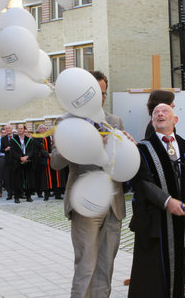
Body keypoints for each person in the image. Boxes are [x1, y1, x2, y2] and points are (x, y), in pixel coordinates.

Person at [51, 70, 125, 298]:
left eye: (104, 94)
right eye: (96, 93)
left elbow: (124, 163)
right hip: (85, 204)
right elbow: (55, 162)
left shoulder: (114, 121)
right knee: (86, 267)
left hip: (113, 203)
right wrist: (83, 142)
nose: (100, 98)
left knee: (106, 267)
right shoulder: (66, 122)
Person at [128, 103, 185, 298]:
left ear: (175, 120)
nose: (159, 114)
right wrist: (167, 201)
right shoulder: (142, 149)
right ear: (152, 121)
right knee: (152, 274)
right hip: (154, 222)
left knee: (177, 268)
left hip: (183, 222)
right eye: (156, 112)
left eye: (165, 111)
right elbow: (141, 182)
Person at [34, 124, 64, 201]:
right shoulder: (41, 138)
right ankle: (46, 195)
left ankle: (57, 194)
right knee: (47, 178)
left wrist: (54, 154)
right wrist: (48, 154)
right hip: (46, 160)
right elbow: (40, 149)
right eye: (51, 130)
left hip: (55, 159)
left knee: (57, 178)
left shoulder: (55, 138)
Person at [10, 124, 34, 203]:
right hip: (18, 162)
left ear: (24, 129)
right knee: (18, 180)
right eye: (18, 128)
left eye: (21, 128)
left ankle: (28, 196)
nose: (20, 130)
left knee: (28, 180)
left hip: (27, 162)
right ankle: (17, 197)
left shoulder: (29, 140)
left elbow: (31, 150)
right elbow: (13, 151)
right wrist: (20, 157)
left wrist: (27, 157)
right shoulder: (13, 140)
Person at [0, 124, 14, 200]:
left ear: (12, 129)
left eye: (9, 128)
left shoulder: (16, 137)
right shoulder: (3, 139)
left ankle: (18, 192)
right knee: (8, 178)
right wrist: (5, 149)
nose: (8, 129)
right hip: (7, 160)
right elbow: (1, 149)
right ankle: (9, 193)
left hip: (15, 160)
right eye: (6, 128)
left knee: (16, 177)